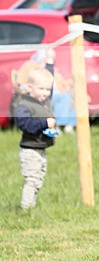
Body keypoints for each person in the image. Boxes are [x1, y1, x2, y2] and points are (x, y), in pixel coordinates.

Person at [14, 59, 57, 211]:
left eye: (48, 90)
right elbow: (26, 125)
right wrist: (44, 124)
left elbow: (49, 77)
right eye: (41, 89)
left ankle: (31, 205)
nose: (45, 93)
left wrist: (50, 61)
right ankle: (25, 208)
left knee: (39, 179)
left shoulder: (44, 100)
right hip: (30, 150)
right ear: (30, 88)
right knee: (32, 179)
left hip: (40, 149)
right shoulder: (24, 105)